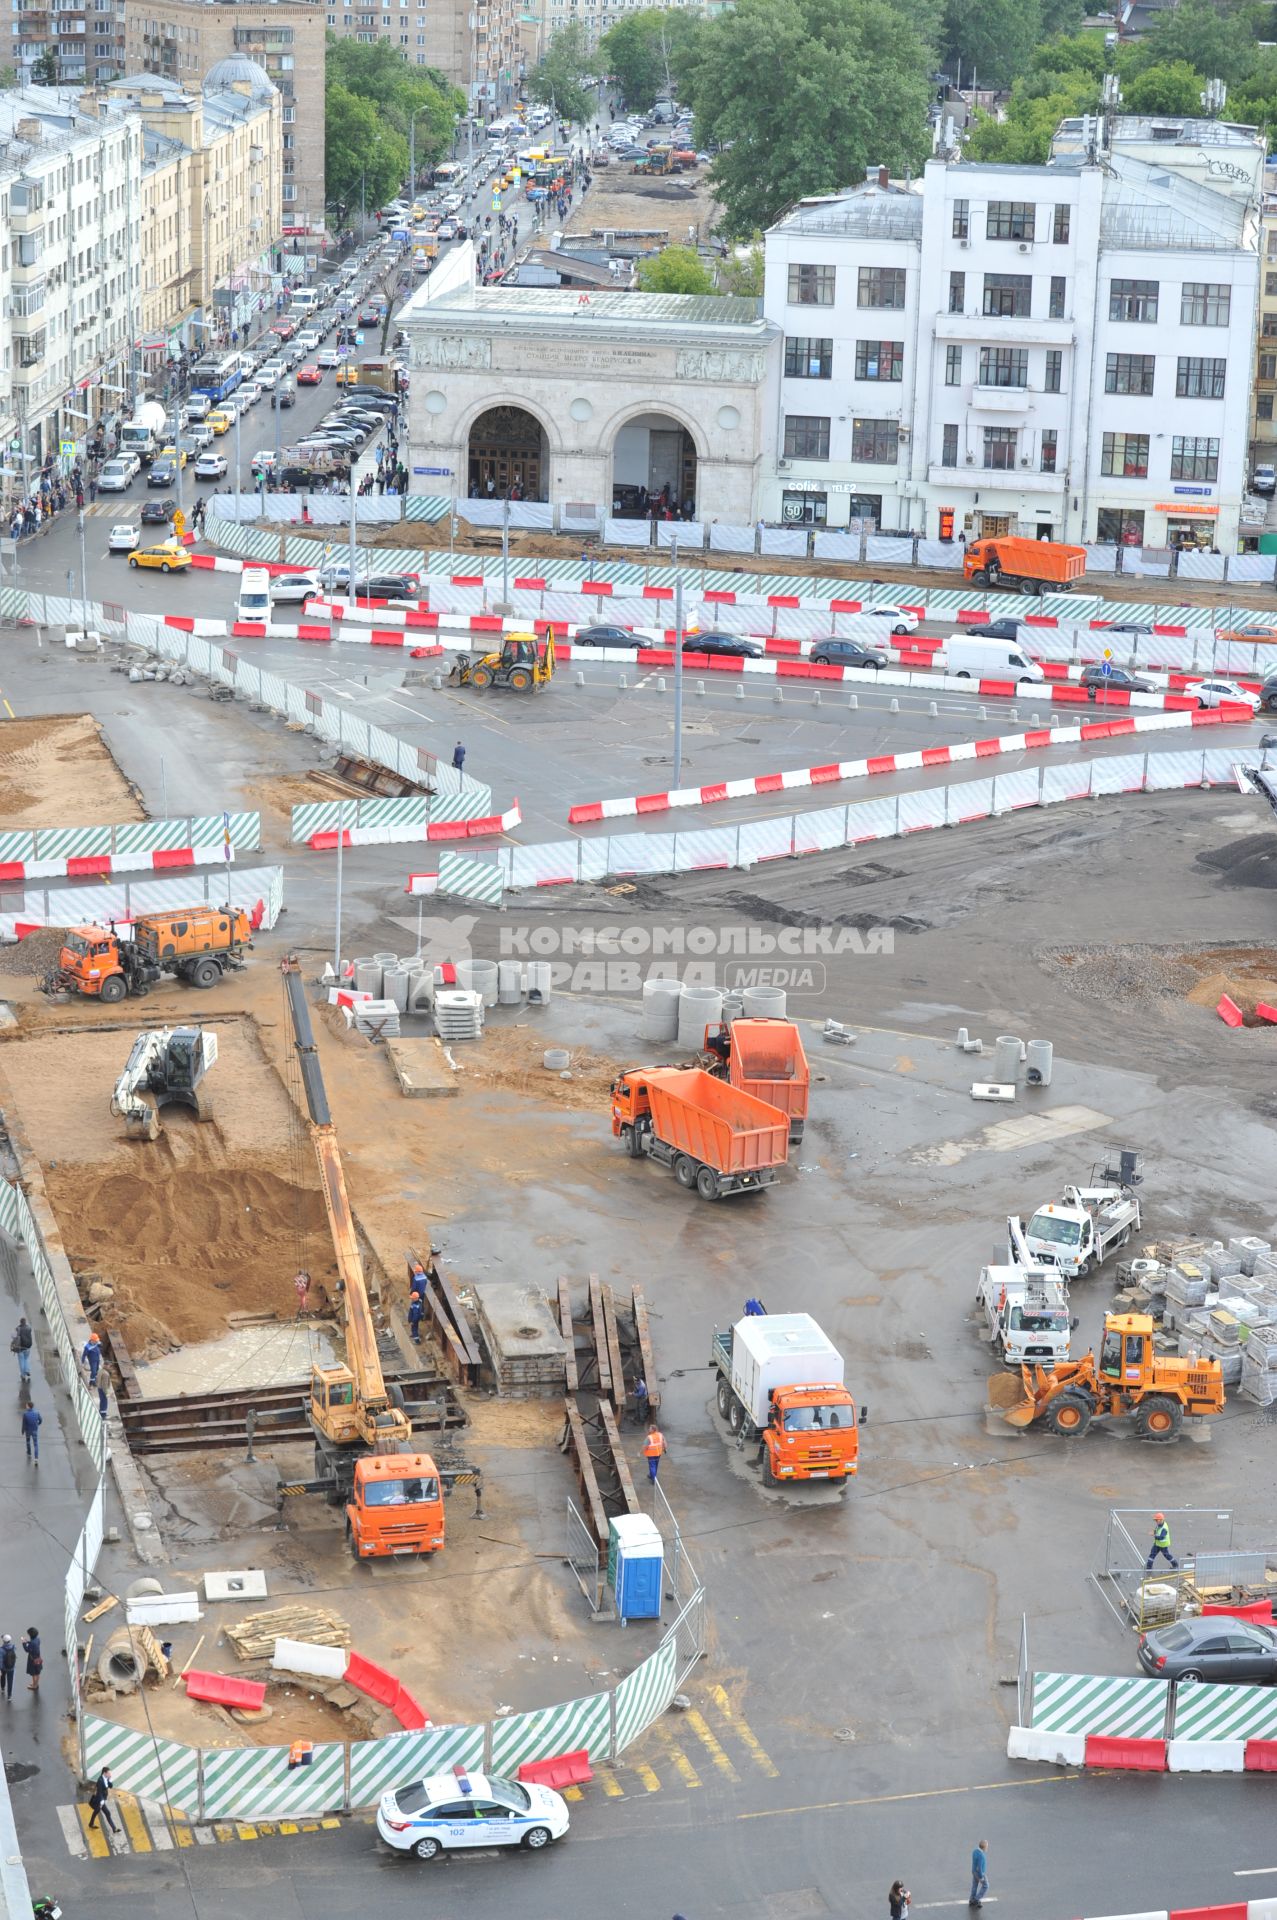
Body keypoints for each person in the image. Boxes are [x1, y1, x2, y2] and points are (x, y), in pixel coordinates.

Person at [88, 1766, 117, 1833]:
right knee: (107, 1813)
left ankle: (91, 1824)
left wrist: (109, 1779)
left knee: (96, 1812)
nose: (110, 1774)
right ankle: (114, 1828)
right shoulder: (100, 1781)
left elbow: (110, 1786)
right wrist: (102, 1801)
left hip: (102, 1800)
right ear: (104, 1773)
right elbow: (99, 1792)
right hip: (100, 1800)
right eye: (109, 1773)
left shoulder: (106, 1778)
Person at [969, 1839, 988, 1909]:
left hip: (973, 1871)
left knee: (974, 1885)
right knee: (986, 1886)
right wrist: (981, 1877)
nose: (987, 1848)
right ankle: (976, 1899)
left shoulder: (974, 1851)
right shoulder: (981, 1855)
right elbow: (979, 1867)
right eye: (987, 1846)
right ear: (984, 1847)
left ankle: (971, 1899)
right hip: (979, 1873)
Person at [11, 1316, 32, 1381]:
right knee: (26, 1359)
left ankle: (23, 1375)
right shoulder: (29, 1328)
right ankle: (27, 1370)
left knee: (21, 1361)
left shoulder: (18, 1328)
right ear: (25, 1322)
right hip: (28, 1347)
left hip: (20, 1348)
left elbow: (13, 1336)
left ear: (20, 1322)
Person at [22, 1627, 41, 1692]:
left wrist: (24, 1643)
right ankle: (36, 1683)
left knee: (33, 1673)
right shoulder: (37, 1639)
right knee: (37, 1672)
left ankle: (34, 1686)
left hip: (32, 1659)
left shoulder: (32, 1643)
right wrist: (28, 1641)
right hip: (38, 1658)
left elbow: (27, 1650)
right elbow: (33, 1643)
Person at [0, 1635, 14, 1700]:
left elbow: (0, 1660)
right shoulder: (13, 1647)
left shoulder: (1, 1649)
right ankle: (9, 1696)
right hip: (11, 1667)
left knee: (3, 1677)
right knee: (10, 1681)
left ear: (3, 1641)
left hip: (3, 1667)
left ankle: (2, 1688)